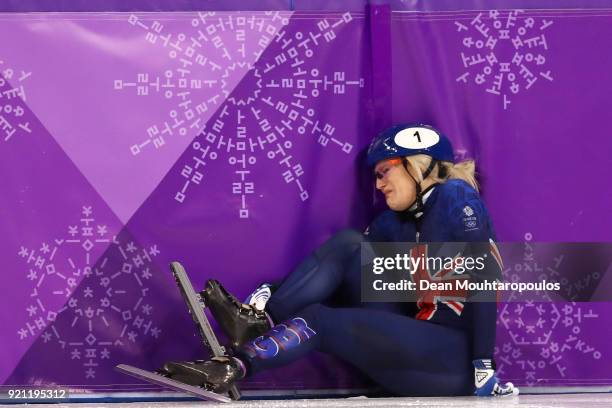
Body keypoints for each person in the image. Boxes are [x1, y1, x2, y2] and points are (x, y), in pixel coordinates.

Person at [159, 124, 517, 397]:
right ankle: (257, 322)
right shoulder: (394, 223)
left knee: (319, 320)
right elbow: (335, 266)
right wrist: (269, 291)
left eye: (383, 172)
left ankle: (232, 367)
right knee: (349, 244)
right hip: (413, 345)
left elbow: (486, 279)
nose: (378, 185)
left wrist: (482, 365)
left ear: (415, 165)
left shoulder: (456, 197)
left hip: (452, 358)